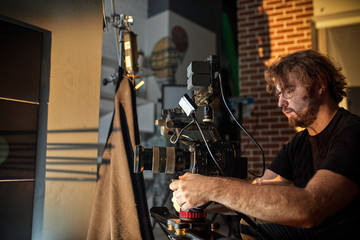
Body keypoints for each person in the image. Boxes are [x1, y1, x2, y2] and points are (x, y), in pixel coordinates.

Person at [169, 49, 360, 240]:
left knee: (252, 222)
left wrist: (212, 187)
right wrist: (198, 197)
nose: (280, 103)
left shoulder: (351, 133)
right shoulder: (298, 142)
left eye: (288, 91)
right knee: (252, 218)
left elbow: (309, 207)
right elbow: (260, 191)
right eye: (278, 94)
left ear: (319, 85)